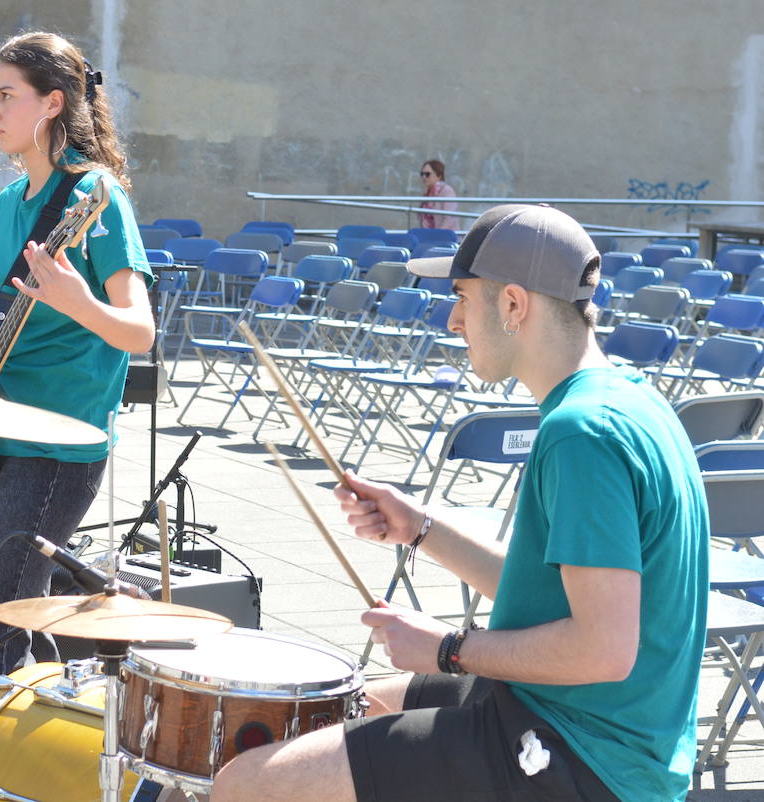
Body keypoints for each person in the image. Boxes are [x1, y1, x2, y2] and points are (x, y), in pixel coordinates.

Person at [212, 204, 708, 802]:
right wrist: (421, 527)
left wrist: (448, 649)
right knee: (348, 705)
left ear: (513, 305)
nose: (452, 320)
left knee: (245, 783)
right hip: (577, 721)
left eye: (464, 298)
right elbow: (544, 595)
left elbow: (603, 649)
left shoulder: (582, 433)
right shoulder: (629, 401)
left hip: (587, 758)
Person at [0, 31, 154, 741]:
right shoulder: (15, 197)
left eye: (5, 95)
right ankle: (34, 753)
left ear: (52, 104)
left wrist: (77, 301)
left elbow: (138, 332)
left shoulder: (95, 195)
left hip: (56, 445)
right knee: (4, 611)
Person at [417, 159, 459, 230]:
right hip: (429, 237)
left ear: (438, 175)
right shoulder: (427, 193)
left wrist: (438, 235)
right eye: (422, 174)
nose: (424, 177)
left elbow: (449, 218)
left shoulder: (446, 190)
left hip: (445, 237)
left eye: (427, 174)